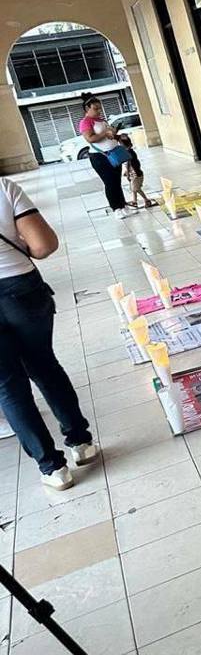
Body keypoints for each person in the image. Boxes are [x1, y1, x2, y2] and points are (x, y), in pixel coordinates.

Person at [0, 178, 98, 489]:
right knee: (44, 365)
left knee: (7, 387)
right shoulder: (3, 188)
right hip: (20, 287)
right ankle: (81, 443)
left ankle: (53, 469)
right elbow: (43, 245)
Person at [78, 96, 133, 218]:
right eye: (95, 108)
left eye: (99, 108)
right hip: (100, 157)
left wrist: (118, 136)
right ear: (87, 109)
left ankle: (123, 205)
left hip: (114, 154)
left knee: (116, 182)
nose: (99, 111)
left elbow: (109, 137)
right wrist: (105, 133)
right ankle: (116, 208)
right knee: (109, 182)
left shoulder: (102, 120)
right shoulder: (85, 122)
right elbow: (90, 138)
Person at [117, 134, 156, 209]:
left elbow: (129, 165)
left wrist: (128, 174)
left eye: (120, 144)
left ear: (123, 145)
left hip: (135, 174)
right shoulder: (130, 151)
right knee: (134, 189)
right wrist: (127, 172)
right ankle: (134, 202)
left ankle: (146, 200)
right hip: (135, 173)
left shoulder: (128, 153)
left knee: (136, 189)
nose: (120, 145)